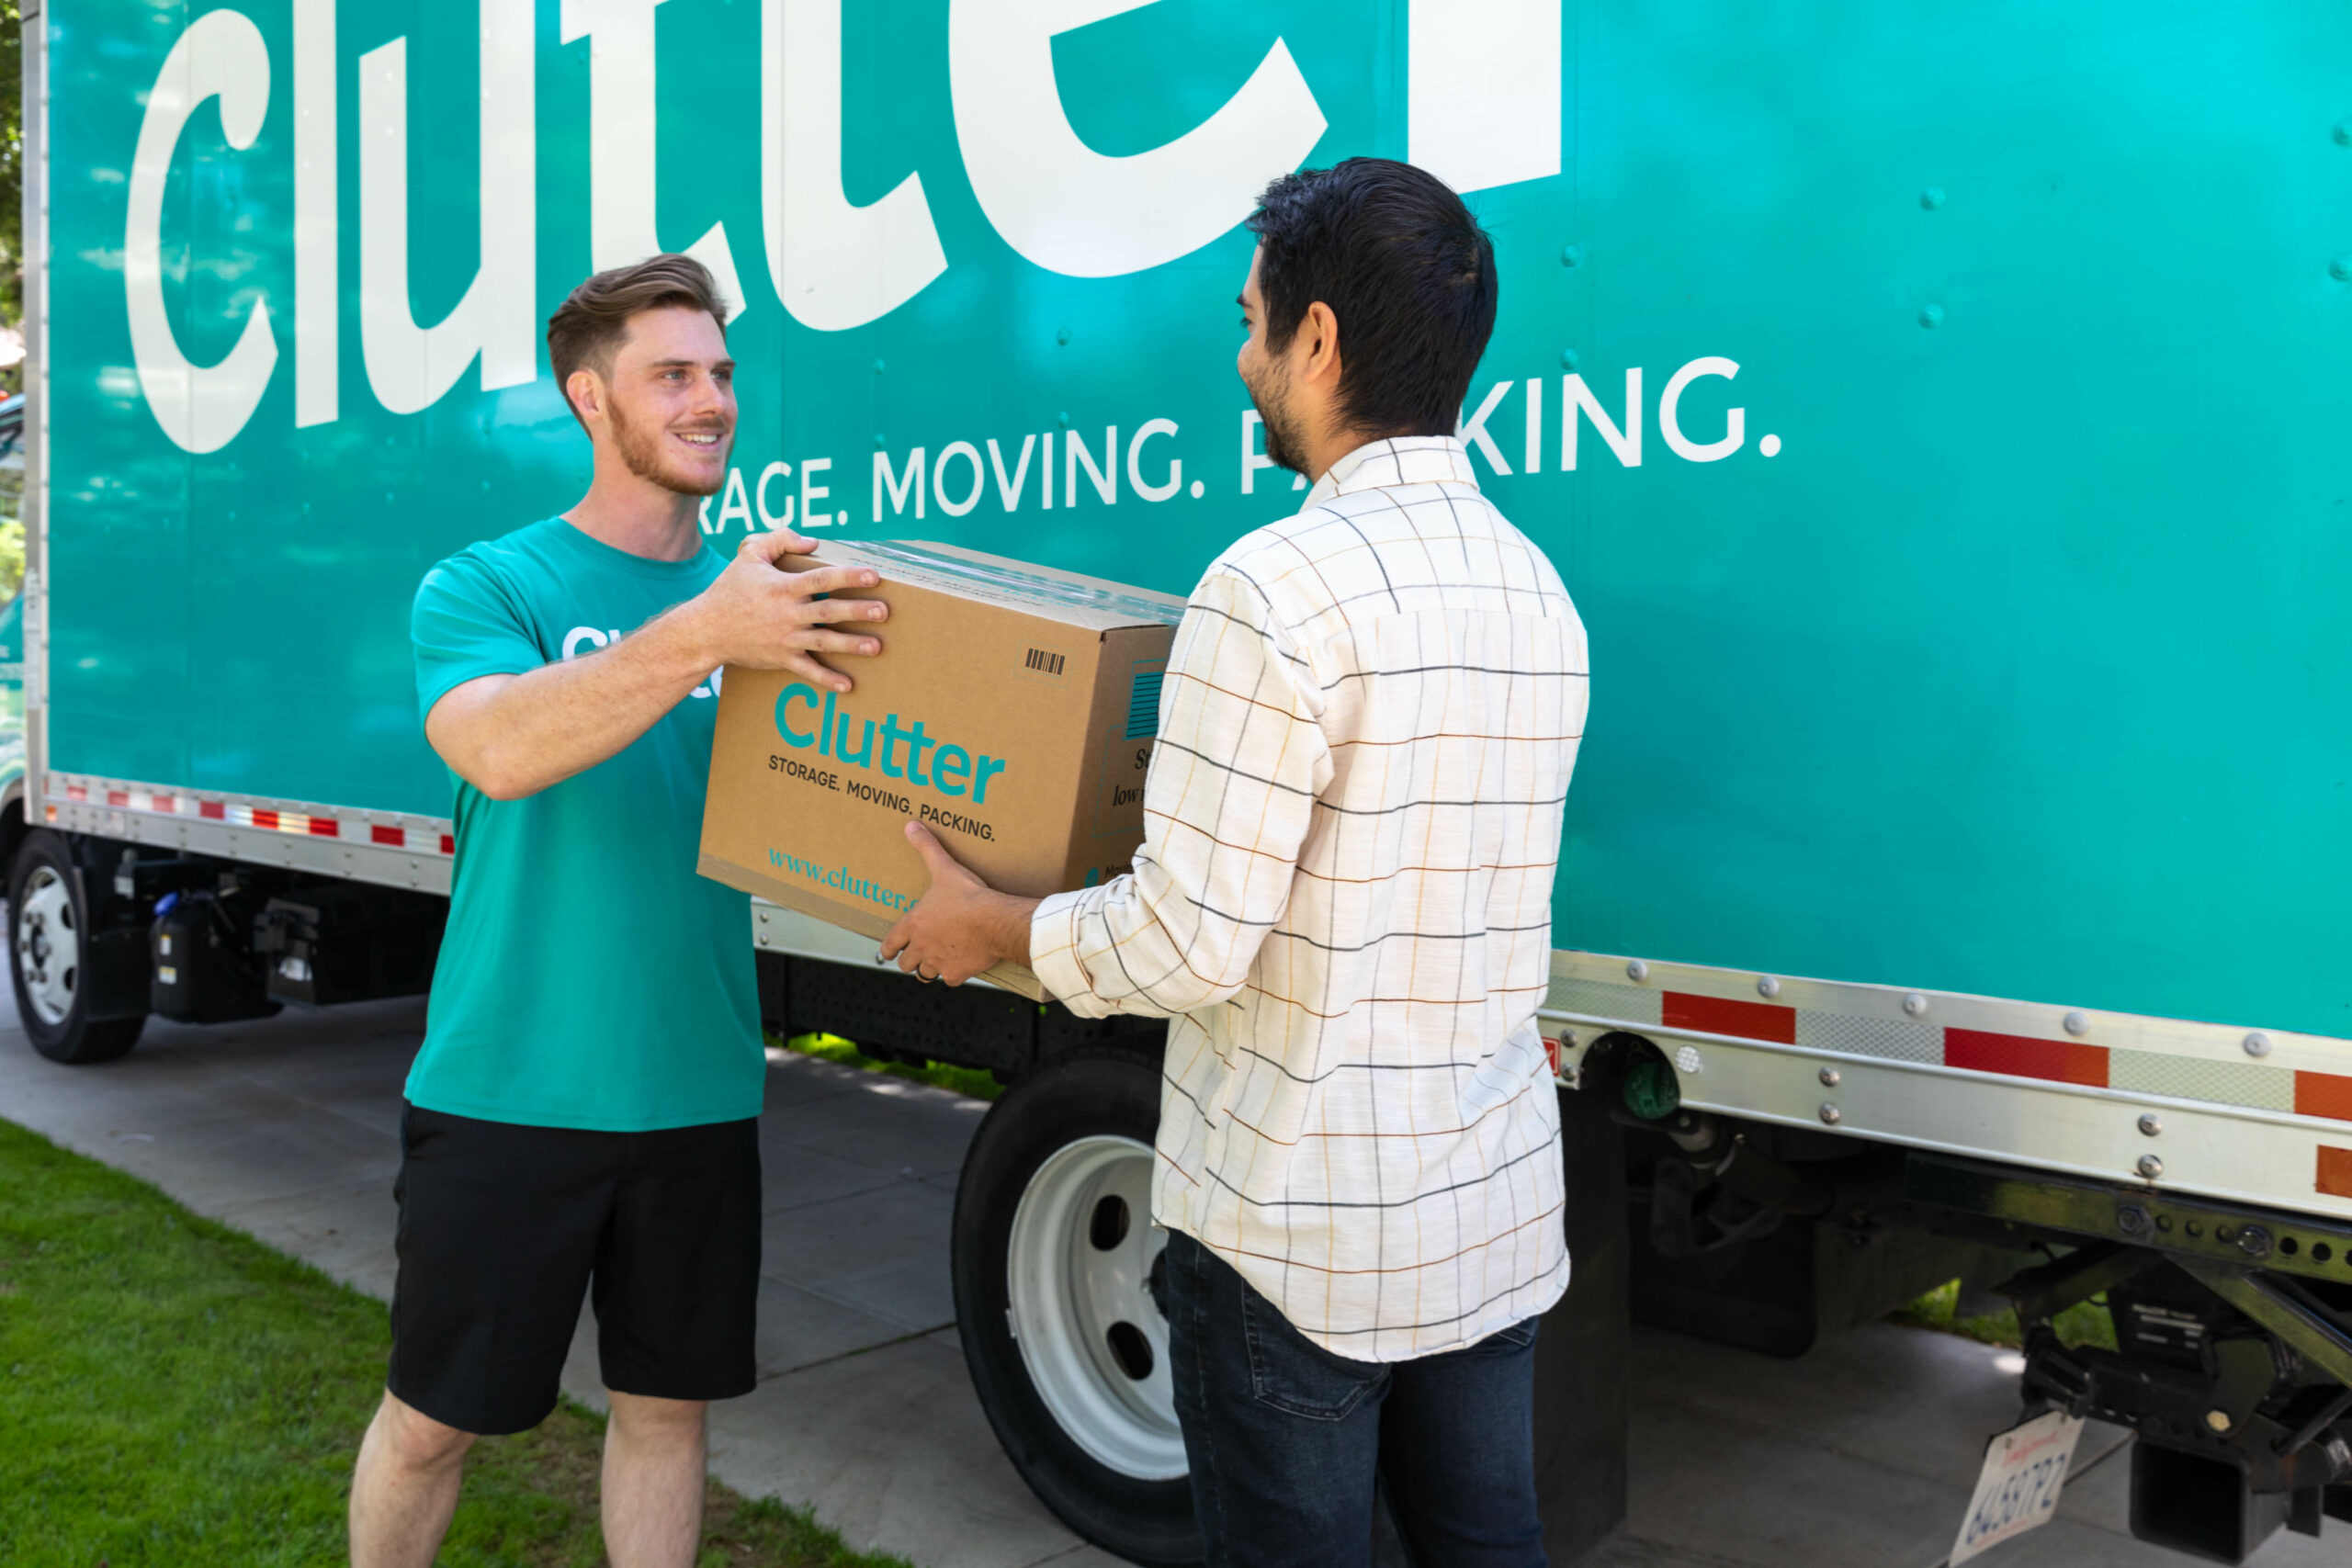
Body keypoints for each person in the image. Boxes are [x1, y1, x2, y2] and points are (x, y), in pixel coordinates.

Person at [882, 160, 1588, 1565]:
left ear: (1318, 342)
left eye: (1253, 317)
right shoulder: (1537, 589)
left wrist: (996, 927)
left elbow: (1188, 946)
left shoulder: (1272, 590)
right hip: (1490, 1208)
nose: (1241, 352)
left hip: (1296, 1237)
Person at [348, 254, 889, 1568]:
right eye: (673, 376)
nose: (711, 400)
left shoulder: (773, 608)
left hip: (698, 1091)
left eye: (720, 374)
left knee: (666, 1417)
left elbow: (853, 812)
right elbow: (498, 749)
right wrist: (708, 633)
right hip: (508, 1090)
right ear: (592, 401)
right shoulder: (487, 587)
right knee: (432, 1425)